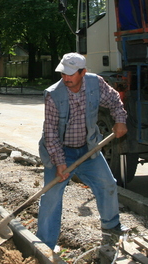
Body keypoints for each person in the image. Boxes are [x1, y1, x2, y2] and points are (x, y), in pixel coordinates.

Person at [37, 53, 129, 250]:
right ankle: (45, 243)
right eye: (63, 73)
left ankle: (111, 227)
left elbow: (114, 100)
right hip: (59, 151)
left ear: (83, 72)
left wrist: (120, 120)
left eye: (70, 74)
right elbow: (51, 133)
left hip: (89, 148)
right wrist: (60, 164)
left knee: (107, 184)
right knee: (51, 196)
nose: (65, 78)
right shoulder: (53, 94)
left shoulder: (95, 84)